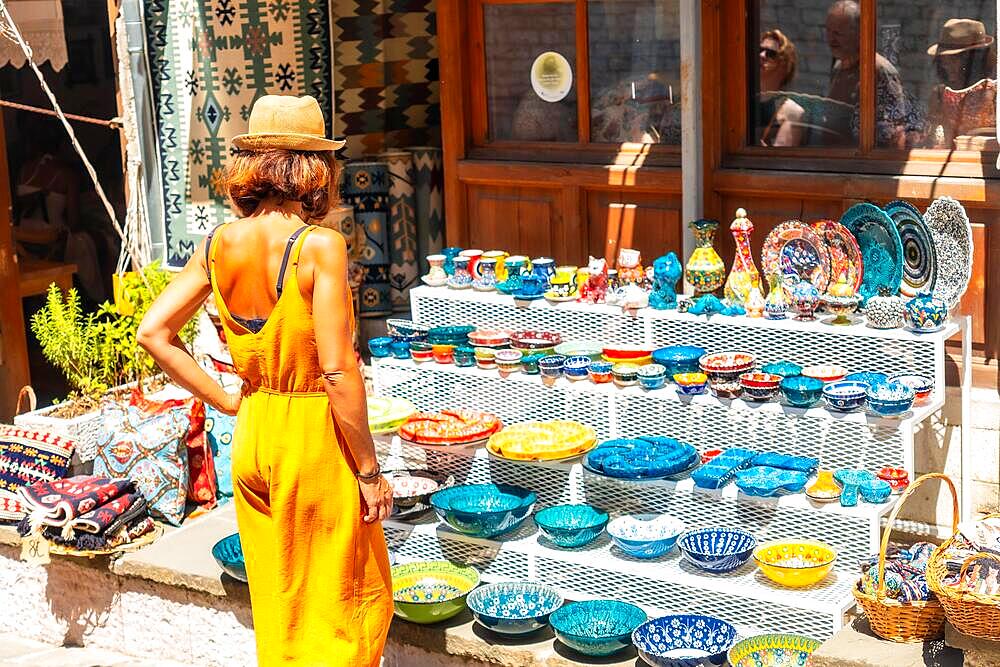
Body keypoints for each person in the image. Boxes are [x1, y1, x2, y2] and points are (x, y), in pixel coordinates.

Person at [137, 95, 393, 666]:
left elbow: (154, 332)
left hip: (254, 432)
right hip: (312, 438)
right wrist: (370, 471)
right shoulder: (318, 247)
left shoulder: (217, 243)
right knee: (342, 605)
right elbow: (338, 369)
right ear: (312, 169)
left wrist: (228, 399)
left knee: (281, 601)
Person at [825, 0, 921, 148]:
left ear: (858, 33)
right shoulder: (839, 67)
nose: (831, 39)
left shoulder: (879, 70)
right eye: (829, 31)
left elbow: (895, 131)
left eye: (838, 33)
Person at [925, 18, 996, 148]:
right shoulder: (940, 94)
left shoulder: (995, 92)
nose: (946, 65)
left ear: (975, 59)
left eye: (954, 59)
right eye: (943, 60)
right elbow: (936, 141)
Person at [757, 29, 806, 146]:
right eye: (759, 50)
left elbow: (779, 161)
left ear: (785, 65)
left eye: (771, 54)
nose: (761, 55)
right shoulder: (741, 101)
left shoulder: (792, 111)